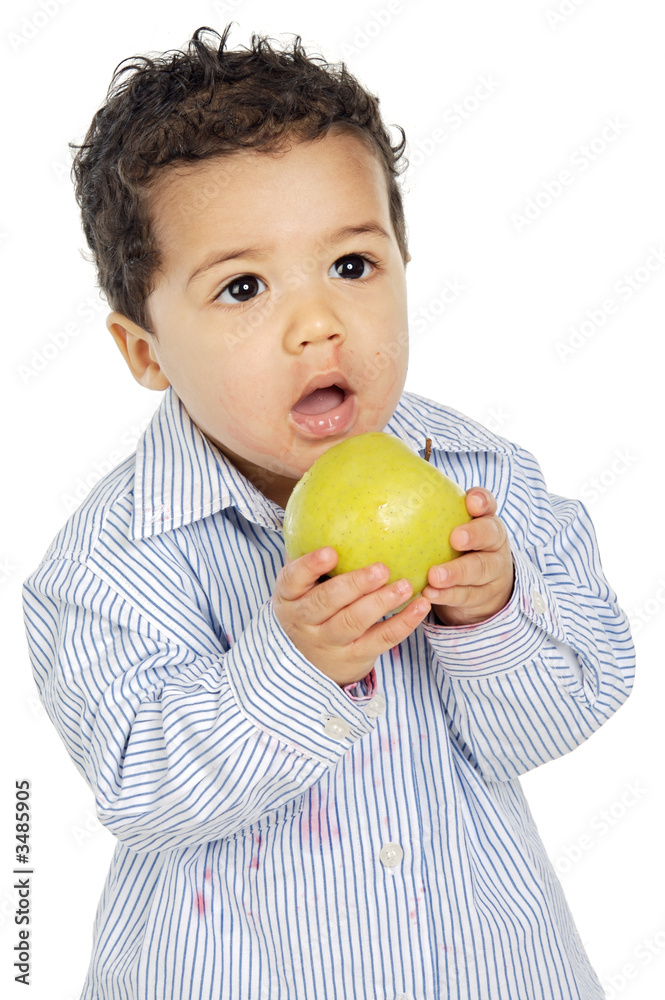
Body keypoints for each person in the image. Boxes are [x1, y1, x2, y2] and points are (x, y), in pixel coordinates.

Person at [23, 25, 635, 1000]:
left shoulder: (480, 480)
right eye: (243, 286)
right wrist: (291, 665)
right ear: (144, 352)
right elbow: (144, 786)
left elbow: (570, 704)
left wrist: (492, 611)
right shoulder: (108, 564)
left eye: (351, 266)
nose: (317, 324)